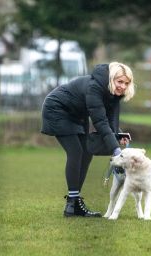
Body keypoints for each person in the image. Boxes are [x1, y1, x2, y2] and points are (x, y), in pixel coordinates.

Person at [41, 62, 135, 217]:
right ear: (111, 79)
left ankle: (74, 202)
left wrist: (118, 135)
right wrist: (117, 151)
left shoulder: (115, 92)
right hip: (57, 109)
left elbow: (110, 120)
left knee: (87, 151)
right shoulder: (95, 87)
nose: (123, 86)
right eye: (120, 82)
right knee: (76, 152)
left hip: (78, 113)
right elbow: (100, 122)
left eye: (127, 83)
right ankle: (72, 204)